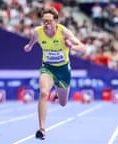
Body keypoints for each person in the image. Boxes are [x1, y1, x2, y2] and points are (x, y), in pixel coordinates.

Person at [24, 7, 85, 140]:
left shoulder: (64, 32)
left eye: (49, 21)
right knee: (44, 93)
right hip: (48, 68)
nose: (46, 23)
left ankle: (58, 90)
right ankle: (42, 129)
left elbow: (82, 48)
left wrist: (71, 47)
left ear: (56, 22)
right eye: (44, 20)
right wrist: (29, 46)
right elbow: (32, 41)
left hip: (63, 70)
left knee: (63, 103)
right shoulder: (37, 32)